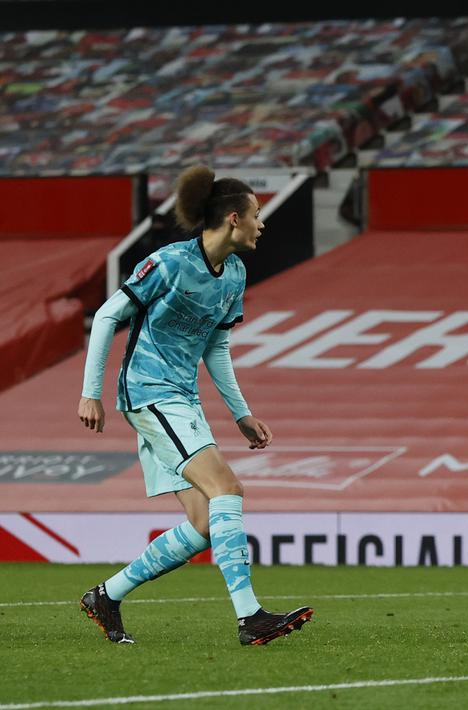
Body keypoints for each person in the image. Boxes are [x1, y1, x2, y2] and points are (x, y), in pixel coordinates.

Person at [76, 165, 313, 646]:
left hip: (180, 399)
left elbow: (216, 348)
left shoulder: (235, 275)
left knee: (206, 523)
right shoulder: (167, 263)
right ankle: (250, 617)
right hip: (148, 393)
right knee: (228, 487)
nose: (261, 224)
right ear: (232, 219)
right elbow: (106, 315)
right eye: (256, 215)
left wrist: (241, 413)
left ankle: (107, 594)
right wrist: (90, 392)